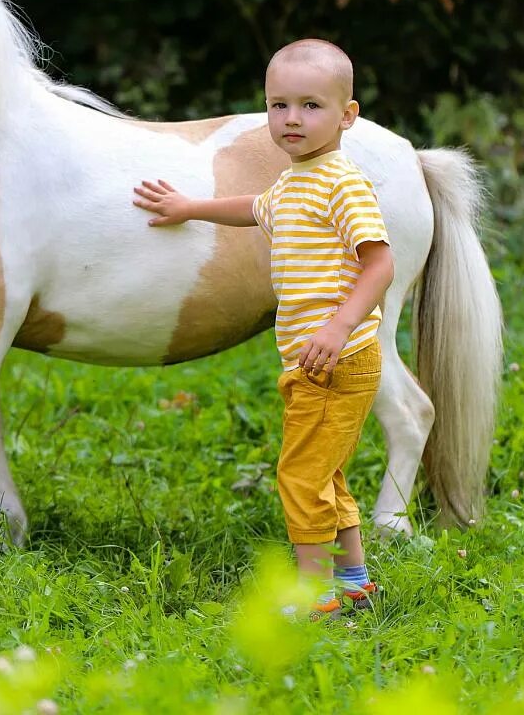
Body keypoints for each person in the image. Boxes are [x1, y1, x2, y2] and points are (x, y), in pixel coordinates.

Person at [132, 38, 395, 620]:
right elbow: (254, 208)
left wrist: (338, 325)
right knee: (327, 473)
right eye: (279, 106)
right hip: (314, 359)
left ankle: (314, 597)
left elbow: (379, 262)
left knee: (300, 477)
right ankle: (352, 581)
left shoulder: (342, 183)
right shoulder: (295, 180)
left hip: (338, 355)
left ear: (347, 116)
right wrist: (191, 207)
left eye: (310, 106)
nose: (291, 119)